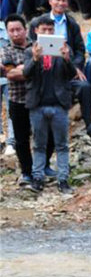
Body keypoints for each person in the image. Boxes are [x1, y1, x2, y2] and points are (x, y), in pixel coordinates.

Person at [23, 15, 76, 194]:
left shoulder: (63, 49)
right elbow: (26, 73)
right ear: (36, 31)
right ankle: (37, 178)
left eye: (50, 30)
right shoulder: (30, 51)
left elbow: (72, 74)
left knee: (62, 144)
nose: (47, 32)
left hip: (59, 104)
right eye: (43, 30)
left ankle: (63, 179)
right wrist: (36, 59)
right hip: (37, 105)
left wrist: (67, 58)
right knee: (39, 144)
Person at [1, 15, 35, 186]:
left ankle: (42, 168)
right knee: (21, 139)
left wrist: (21, 69)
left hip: (38, 99)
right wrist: (29, 69)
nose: (15, 33)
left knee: (46, 135)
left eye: (18, 29)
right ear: (7, 32)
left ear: (25, 29)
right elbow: (10, 74)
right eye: (11, 30)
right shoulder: (6, 50)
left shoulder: (37, 46)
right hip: (17, 99)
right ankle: (27, 172)